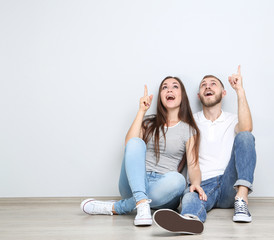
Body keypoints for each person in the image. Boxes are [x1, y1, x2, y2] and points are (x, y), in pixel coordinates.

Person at [80, 76, 207, 226]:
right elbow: (129, 145)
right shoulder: (148, 122)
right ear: (160, 96)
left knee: (179, 180)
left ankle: (119, 207)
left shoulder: (189, 130)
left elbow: (193, 165)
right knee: (135, 142)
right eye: (164, 87)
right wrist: (141, 111)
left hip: (163, 189)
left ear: (182, 95)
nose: (169, 89)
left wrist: (196, 183)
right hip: (135, 183)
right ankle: (140, 202)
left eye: (175, 87)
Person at [153, 65, 256, 234]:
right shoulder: (189, 123)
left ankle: (242, 201)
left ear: (223, 93)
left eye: (213, 84)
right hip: (202, 185)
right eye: (203, 85)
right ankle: (189, 221)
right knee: (190, 196)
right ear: (198, 95)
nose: (208, 86)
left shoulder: (233, 119)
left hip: (231, 185)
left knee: (245, 136)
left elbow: (247, 129)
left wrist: (239, 90)